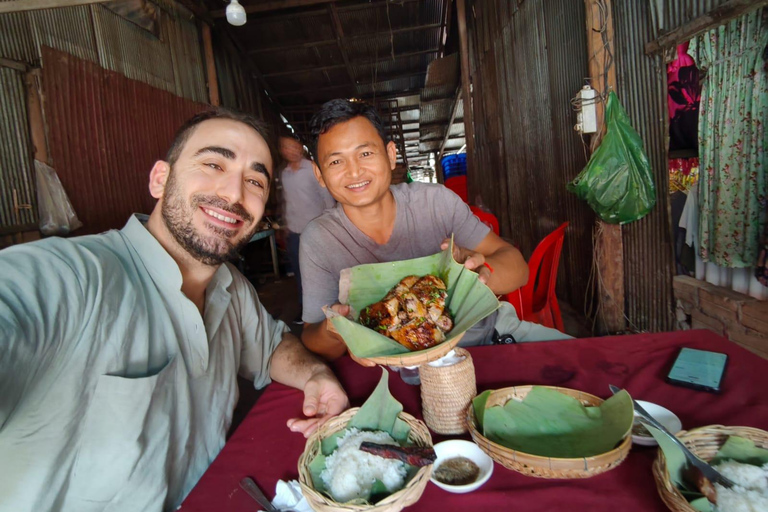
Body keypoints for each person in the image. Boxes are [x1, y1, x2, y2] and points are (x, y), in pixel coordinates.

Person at [0, 108, 349, 512]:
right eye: (214, 163)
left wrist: (315, 374)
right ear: (160, 179)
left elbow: (271, 349)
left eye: (254, 180)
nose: (234, 194)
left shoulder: (230, 286)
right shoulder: (74, 275)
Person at [299, 99, 572, 361]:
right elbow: (312, 339)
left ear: (391, 155)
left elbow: (518, 268)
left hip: (488, 340)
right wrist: (333, 330)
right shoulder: (320, 239)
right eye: (336, 161)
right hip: (391, 367)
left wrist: (482, 272)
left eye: (365, 153)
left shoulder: (436, 202)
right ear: (319, 174)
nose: (354, 171)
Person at [279, 136, 335, 322]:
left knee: (323, 270)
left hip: (317, 230)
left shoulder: (312, 168)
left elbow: (326, 195)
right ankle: (307, 311)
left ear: (300, 148)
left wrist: (331, 221)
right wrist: (286, 225)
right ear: (282, 151)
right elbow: (288, 201)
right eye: (286, 147)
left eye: (294, 146)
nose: (291, 150)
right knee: (300, 272)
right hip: (295, 232)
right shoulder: (285, 173)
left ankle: (332, 308)